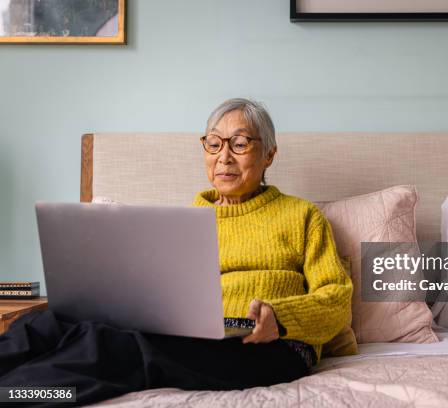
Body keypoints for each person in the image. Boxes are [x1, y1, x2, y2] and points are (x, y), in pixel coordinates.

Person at [0, 98, 352, 407]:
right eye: (213, 145)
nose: (224, 157)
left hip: (265, 346)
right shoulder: (186, 218)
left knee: (105, 345)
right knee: (44, 321)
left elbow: (337, 300)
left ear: (269, 154)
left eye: (240, 144)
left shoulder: (302, 216)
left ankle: (12, 396)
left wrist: (281, 317)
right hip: (185, 332)